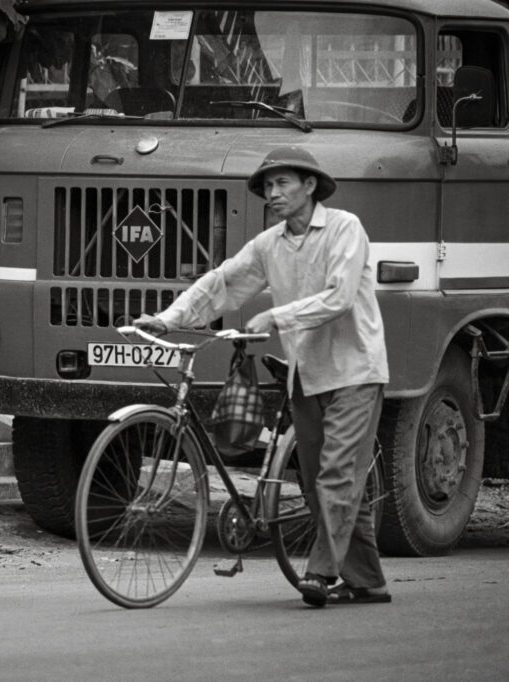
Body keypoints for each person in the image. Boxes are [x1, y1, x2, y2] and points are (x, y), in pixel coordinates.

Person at [135, 146, 391, 608]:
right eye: (267, 187)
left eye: (282, 184)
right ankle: (368, 580)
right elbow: (223, 282)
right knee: (318, 486)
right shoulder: (269, 243)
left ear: (310, 185)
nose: (272, 194)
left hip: (355, 370)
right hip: (306, 373)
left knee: (336, 477)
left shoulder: (344, 229)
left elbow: (340, 297)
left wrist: (276, 317)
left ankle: (320, 574)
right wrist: (169, 318)